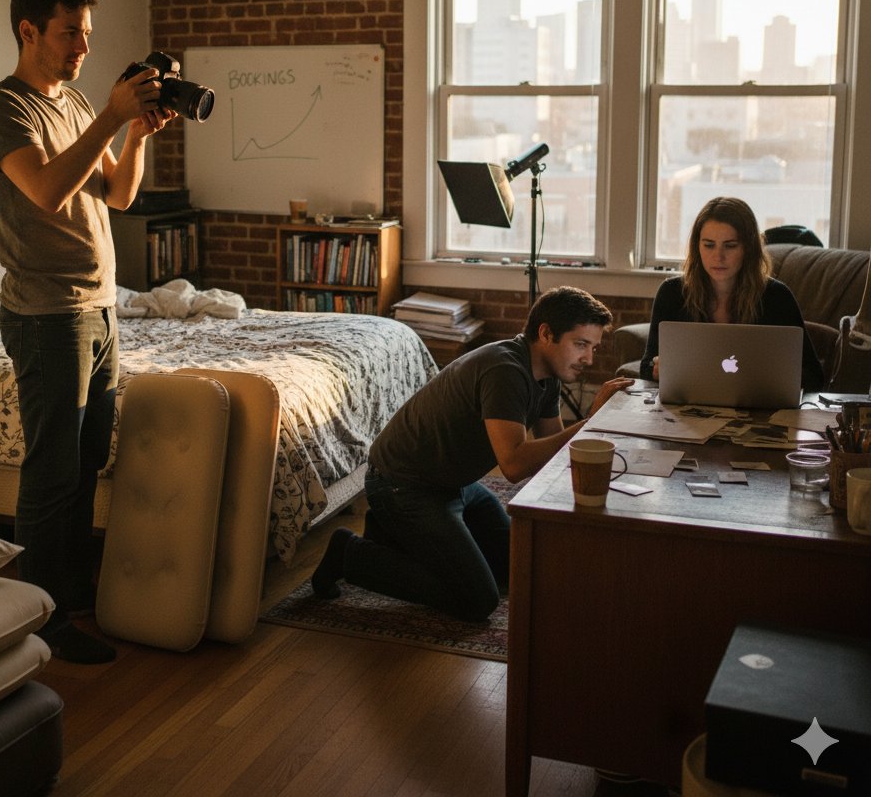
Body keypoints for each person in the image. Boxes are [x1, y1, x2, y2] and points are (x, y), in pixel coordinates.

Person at [0, 0, 177, 663]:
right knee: (52, 468)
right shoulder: (4, 109)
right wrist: (112, 119)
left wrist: (139, 132)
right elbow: (50, 191)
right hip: (47, 315)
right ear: (28, 31)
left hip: (100, 306)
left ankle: (70, 591)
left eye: (87, 33)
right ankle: (42, 620)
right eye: (69, 32)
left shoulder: (79, 101)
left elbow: (117, 195)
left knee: (88, 458)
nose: (82, 47)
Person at [310, 286, 635, 622]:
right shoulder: (505, 369)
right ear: (545, 333)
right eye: (581, 344)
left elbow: (552, 455)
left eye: (592, 347)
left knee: (515, 569)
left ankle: (394, 540)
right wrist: (588, 422)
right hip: (402, 484)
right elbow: (514, 464)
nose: (589, 359)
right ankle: (350, 554)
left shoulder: (548, 375)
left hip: (454, 484)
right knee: (477, 599)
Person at [639, 196, 823, 391]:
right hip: (689, 409)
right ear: (697, 247)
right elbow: (646, 366)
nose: (718, 256)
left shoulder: (777, 297)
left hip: (757, 407)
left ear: (749, 248)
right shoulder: (672, 293)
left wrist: (773, 377)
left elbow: (815, 376)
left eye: (730, 246)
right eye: (709, 245)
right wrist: (656, 369)